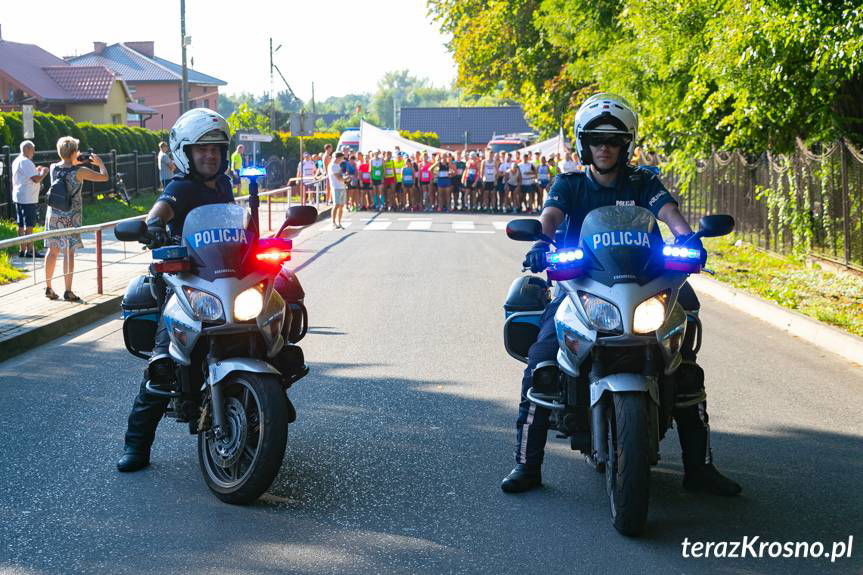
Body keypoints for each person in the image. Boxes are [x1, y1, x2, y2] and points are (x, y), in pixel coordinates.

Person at [500, 94, 742, 497]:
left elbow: (669, 214)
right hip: (581, 285)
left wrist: (688, 239)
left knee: (685, 368)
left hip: (645, 284)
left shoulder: (643, 182)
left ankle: (700, 469)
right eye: (597, 139)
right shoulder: (570, 184)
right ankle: (527, 464)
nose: (605, 147)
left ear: (626, 145)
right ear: (584, 144)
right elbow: (551, 217)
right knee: (542, 363)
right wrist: (542, 241)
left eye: (614, 140)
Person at [116, 109, 238, 472]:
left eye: (216, 149)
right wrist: (152, 224)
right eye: (202, 149)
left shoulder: (225, 185)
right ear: (185, 153)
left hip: (221, 277)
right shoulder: (179, 187)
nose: (210, 155)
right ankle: (136, 445)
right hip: (185, 282)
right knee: (164, 363)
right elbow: (162, 209)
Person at [44, 137, 109, 302]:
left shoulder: (53, 168)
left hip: (54, 215)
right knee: (68, 253)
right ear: (74, 152)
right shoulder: (80, 172)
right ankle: (68, 291)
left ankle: (49, 287)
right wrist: (100, 163)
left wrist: (72, 161)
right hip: (71, 216)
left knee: (52, 251)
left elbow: (65, 168)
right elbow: (104, 177)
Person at [12, 140, 48, 258]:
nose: (34, 152)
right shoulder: (26, 161)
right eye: (33, 149)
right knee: (29, 224)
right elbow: (36, 179)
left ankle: (22, 249)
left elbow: (27, 176)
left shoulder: (17, 160)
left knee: (21, 224)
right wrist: (44, 172)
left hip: (19, 196)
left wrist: (37, 170)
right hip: (28, 198)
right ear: (27, 149)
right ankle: (30, 250)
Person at [329, 151, 347, 228]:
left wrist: (345, 178)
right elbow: (338, 177)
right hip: (336, 187)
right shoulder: (332, 166)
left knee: (341, 205)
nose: (342, 159)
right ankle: (333, 222)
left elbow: (341, 176)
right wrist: (346, 179)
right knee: (336, 205)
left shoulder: (338, 165)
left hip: (342, 186)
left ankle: (339, 222)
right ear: (338, 158)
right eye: (342, 158)